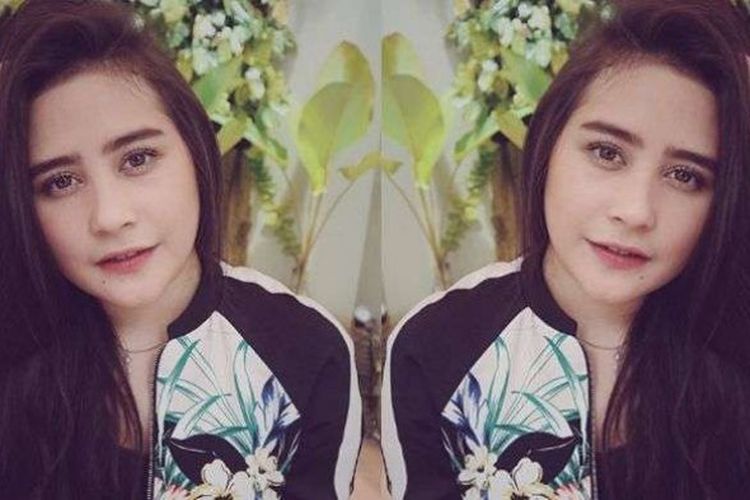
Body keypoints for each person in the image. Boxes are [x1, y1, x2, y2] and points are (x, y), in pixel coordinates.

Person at [381, 0, 750, 498]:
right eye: (607, 152)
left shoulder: (733, 341)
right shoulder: (436, 344)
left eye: (685, 176)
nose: (636, 211)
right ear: (549, 143)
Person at [0, 1, 361, 498]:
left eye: (137, 158)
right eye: (60, 181)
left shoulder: (305, 349)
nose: (109, 216)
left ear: (194, 149)